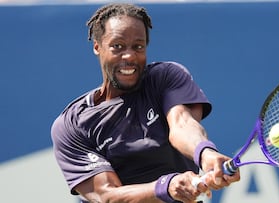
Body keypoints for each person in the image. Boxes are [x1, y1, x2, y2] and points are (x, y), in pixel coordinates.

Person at [51, 3, 240, 203]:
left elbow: (182, 124)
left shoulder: (165, 78)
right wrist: (167, 187)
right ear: (97, 47)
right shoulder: (72, 124)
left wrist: (205, 154)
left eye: (138, 46)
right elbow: (106, 195)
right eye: (117, 46)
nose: (130, 56)